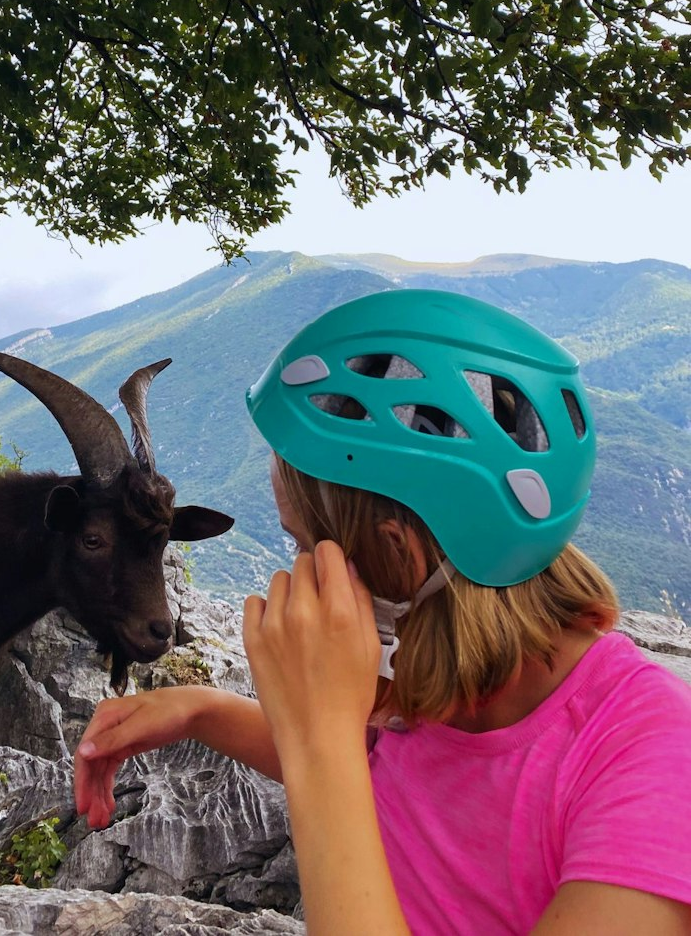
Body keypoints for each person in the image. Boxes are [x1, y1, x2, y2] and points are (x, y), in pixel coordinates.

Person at [74, 289, 691, 934]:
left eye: (303, 546)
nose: (295, 573)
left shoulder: (650, 760)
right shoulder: (430, 686)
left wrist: (319, 741)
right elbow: (375, 762)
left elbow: (336, 759)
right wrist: (201, 711)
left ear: (397, 554)